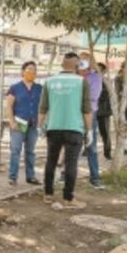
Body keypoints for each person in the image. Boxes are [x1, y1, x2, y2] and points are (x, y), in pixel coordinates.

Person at [39, 52, 92, 206]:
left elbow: (42, 108)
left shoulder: (49, 81)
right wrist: (88, 131)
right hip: (74, 128)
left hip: (53, 127)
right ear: (77, 66)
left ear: (62, 65)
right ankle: (68, 198)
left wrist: (40, 126)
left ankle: (48, 194)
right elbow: (86, 110)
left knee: (51, 160)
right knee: (71, 163)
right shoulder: (82, 82)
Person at [5, 61, 42, 186]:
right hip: (19, 123)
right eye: (29, 69)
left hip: (33, 124)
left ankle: (30, 176)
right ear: (22, 72)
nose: (32, 72)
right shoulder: (15, 88)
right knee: (16, 150)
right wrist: (12, 122)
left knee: (30, 151)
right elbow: (9, 106)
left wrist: (41, 122)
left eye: (34, 70)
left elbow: (43, 107)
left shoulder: (39, 88)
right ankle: (12, 177)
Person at [78, 53, 104, 189]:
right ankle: (65, 174)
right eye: (80, 60)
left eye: (84, 60)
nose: (81, 62)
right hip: (73, 114)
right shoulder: (74, 75)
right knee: (71, 145)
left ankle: (94, 177)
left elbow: (93, 96)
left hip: (89, 114)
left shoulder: (95, 77)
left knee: (91, 147)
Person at [96, 62, 113, 159]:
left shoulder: (106, 81)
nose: (95, 71)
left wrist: (96, 94)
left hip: (103, 111)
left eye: (98, 69)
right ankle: (86, 150)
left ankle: (107, 152)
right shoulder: (92, 79)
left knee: (105, 133)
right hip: (93, 110)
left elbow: (107, 95)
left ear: (103, 71)